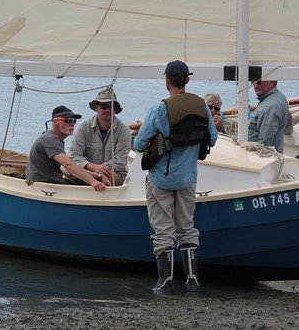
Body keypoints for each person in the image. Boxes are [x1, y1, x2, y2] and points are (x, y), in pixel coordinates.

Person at [133, 60, 218, 293]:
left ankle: (165, 282)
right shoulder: (202, 107)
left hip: (161, 179)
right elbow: (212, 139)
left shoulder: (159, 109)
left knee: (163, 230)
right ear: (188, 80)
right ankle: (193, 281)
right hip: (188, 178)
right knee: (187, 227)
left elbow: (139, 143)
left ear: (167, 81)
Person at [25, 105, 110, 192]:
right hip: (45, 186)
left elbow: (71, 167)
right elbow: (68, 165)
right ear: (55, 121)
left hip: (52, 182)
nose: (72, 123)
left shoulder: (53, 138)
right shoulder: (51, 139)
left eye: (74, 120)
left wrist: (99, 176)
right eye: (68, 120)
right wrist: (93, 182)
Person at [68, 88, 131, 186]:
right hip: (87, 170)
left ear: (115, 110)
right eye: (103, 106)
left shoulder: (123, 130)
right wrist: (92, 167)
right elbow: (74, 155)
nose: (108, 110)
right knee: (68, 172)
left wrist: (99, 171)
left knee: (108, 176)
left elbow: (119, 162)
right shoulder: (84, 126)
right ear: (96, 107)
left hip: (112, 173)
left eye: (112, 107)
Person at [248, 80, 293, 153]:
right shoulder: (280, 97)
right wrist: (289, 131)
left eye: (259, 82)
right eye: (253, 82)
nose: (255, 86)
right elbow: (288, 118)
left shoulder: (270, 107)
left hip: (261, 156)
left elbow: (266, 140)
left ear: (271, 82)